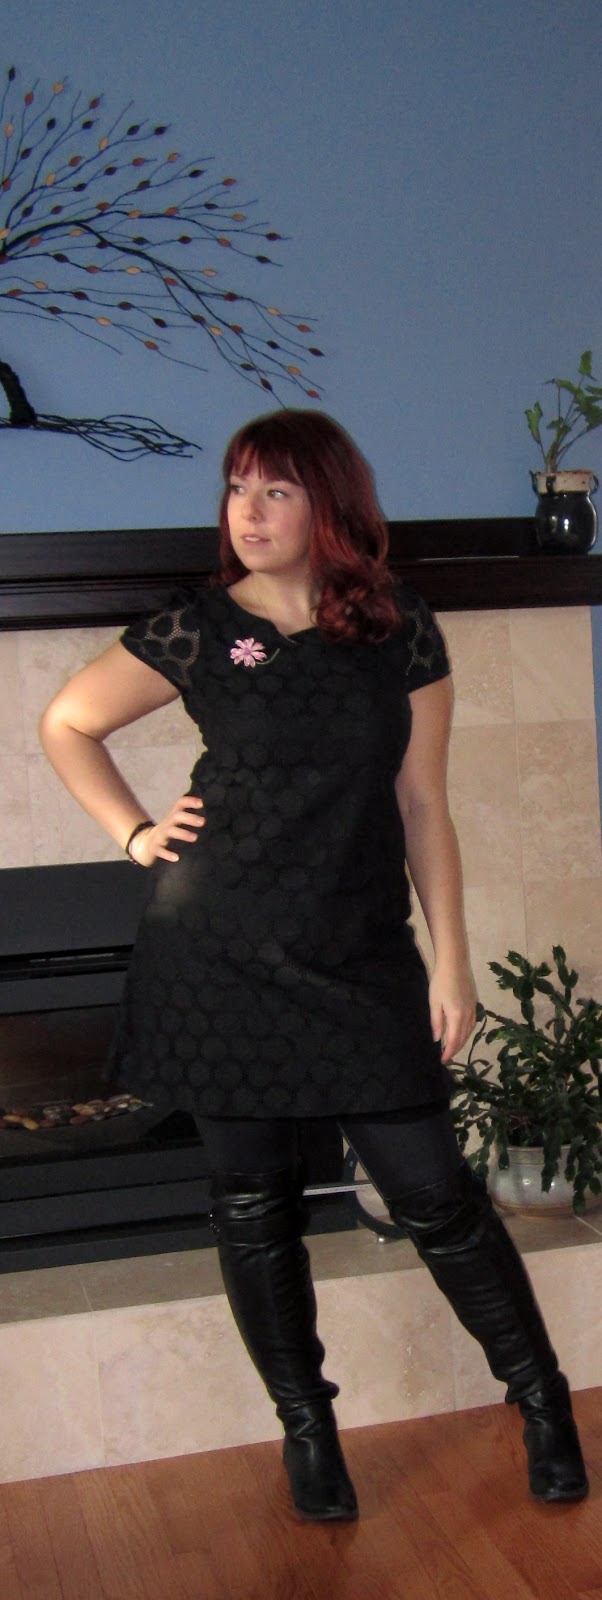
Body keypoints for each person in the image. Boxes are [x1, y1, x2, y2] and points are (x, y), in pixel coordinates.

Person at [39, 408, 588, 1523]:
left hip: (358, 955)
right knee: (251, 1207)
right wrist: (135, 834)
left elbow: (423, 804)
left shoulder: (398, 628)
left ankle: (540, 1400)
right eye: (237, 486)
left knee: (436, 1196)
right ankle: (308, 1429)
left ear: (328, 502)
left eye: (276, 489)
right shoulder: (196, 627)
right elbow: (67, 722)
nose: (247, 510)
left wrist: (450, 961)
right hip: (216, 956)